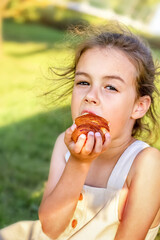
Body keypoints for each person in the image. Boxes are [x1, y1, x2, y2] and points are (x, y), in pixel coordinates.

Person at [0, 22, 160, 240]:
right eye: (83, 82)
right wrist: (79, 162)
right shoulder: (64, 146)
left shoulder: (146, 163)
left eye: (110, 87)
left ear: (138, 106)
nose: (90, 96)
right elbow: (50, 227)